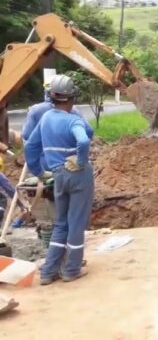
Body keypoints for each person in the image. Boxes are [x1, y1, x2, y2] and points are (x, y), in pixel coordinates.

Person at [24, 74, 93, 285]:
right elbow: (83, 139)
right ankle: (71, 269)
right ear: (72, 98)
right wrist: (80, 161)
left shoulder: (45, 118)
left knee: (61, 223)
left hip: (57, 175)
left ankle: (48, 272)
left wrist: (38, 172)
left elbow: (29, 146)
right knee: (76, 223)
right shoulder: (73, 119)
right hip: (78, 175)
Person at [22, 82, 94, 172]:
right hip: (72, 164)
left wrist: (38, 172)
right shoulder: (74, 112)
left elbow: (27, 136)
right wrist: (81, 160)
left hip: (47, 162)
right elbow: (88, 133)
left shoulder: (38, 112)